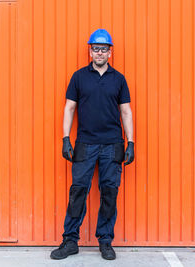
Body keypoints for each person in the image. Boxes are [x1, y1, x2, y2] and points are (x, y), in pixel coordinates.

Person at [50, 29, 134, 261]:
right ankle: (70, 241)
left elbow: (125, 111)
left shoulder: (119, 79)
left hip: (112, 145)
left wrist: (131, 142)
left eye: (104, 49)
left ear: (110, 52)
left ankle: (105, 241)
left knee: (109, 193)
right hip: (85, 144)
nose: (99, 52)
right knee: (78, 192)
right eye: (96, 48)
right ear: (90, 50)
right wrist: (66, 138)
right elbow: (69, 107)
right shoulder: (78, 77)